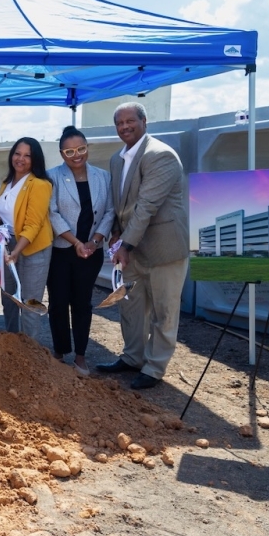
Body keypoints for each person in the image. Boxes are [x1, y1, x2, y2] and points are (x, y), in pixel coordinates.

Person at [97, 102, 189, 390]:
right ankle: (132, 357)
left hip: (164, 250)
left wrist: (124, 243)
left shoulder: (160, 155)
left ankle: (154, 367)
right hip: (132, 249)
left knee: (164, 311)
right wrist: (114, 233)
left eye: (130, 121)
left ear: (144, 121)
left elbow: (146, 207)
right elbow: (118, 203)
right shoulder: (117, 159)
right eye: (119, 123)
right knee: (131, 307)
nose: (125, 127)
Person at [46, 126, 114, 375]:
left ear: (87, 147)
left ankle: (81, 355)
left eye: (81, 149)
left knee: (82, 303)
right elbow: (51, 212)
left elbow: (109, 211)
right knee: (58, 302)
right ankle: (60, 350)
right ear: (62, 153)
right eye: (70, 151)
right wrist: (76, 242)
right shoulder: (51, 176)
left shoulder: (103, 177)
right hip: (62, 250)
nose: (77, 155)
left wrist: (94, 242)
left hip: (91, 252)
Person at [0, 137, 53, 339]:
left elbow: (33, 224)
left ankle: (30, 353)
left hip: (31, 249)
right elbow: (6, 212)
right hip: (8, 246)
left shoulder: (40, 184)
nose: (21, 159)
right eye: (18, 153)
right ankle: (12, 345)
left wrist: (16, 252)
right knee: (8, 298)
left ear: (35, 159)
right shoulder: (7, 182)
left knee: (29, 303)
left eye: (28, 155)